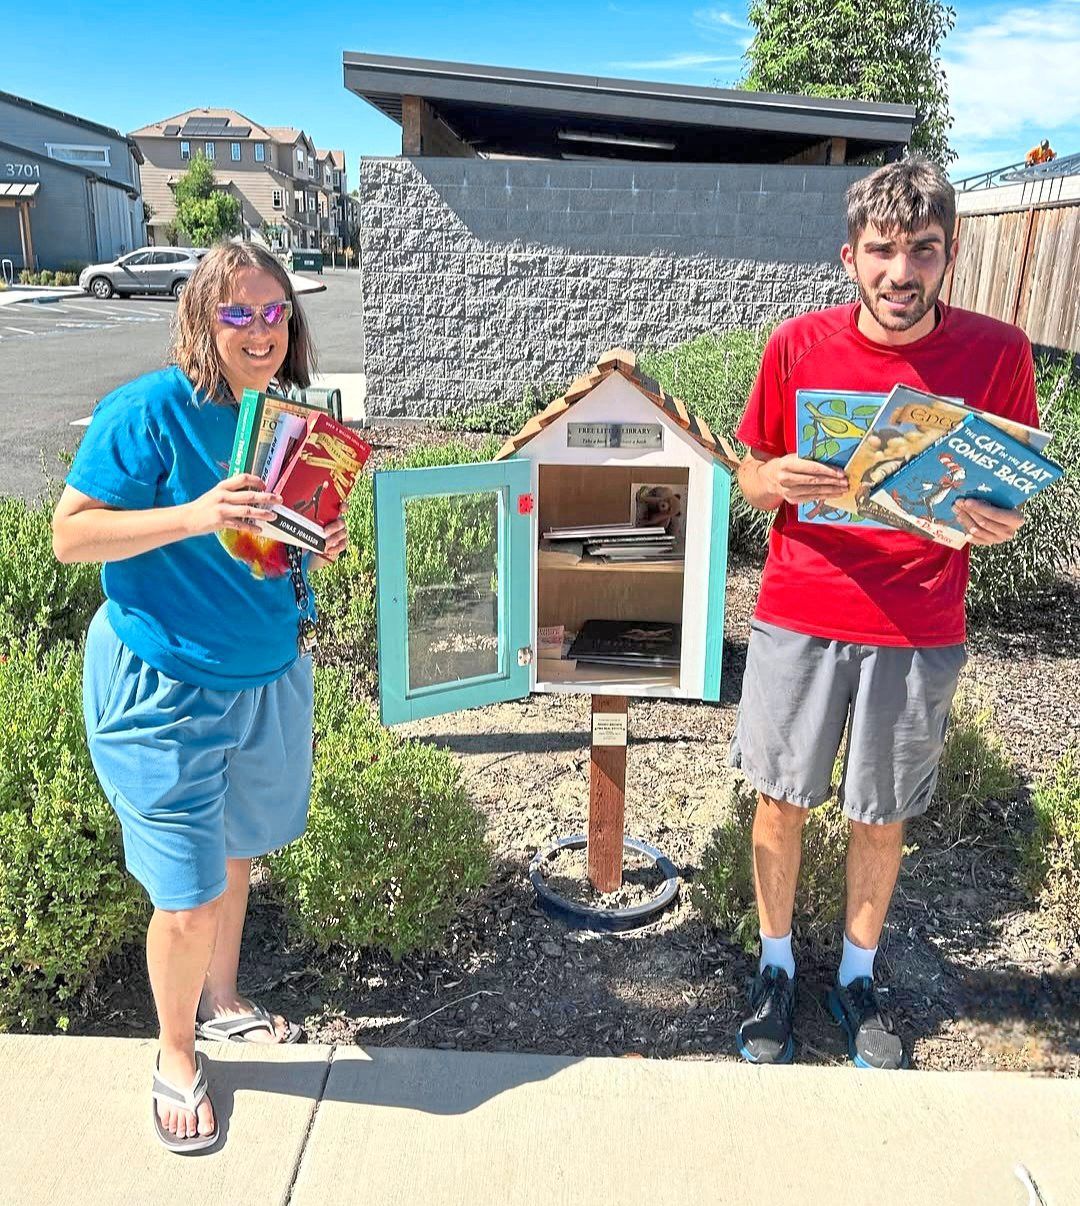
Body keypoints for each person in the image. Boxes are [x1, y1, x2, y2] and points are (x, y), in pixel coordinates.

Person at [730, 157, 1037, 1070]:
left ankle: (856, 976)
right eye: (883, 251)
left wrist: (998, 524)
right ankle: (775, 967)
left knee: (882, 812)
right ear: (850, 256)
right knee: (781, 802)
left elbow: (1012, 503)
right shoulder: (796, 345)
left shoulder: (997, 353)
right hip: (801, 607)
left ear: (950, 257)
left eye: (924, 253)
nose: (901, 273)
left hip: (919, 622)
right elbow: (749, 472)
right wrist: (765, 479)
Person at [52, 241, 349, 1152]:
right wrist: (196, 513)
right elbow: (71, 537)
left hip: (264, 677)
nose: (262, 331)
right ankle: (175, 1055)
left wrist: (313, 542)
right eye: (239, 313)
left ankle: (221, 1001)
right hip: (164, 687)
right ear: (201, 318)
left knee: (236, 854)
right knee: (182, 896)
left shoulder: (289, 414)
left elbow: (274, 539)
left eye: (274, 313)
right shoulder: (144, 411)